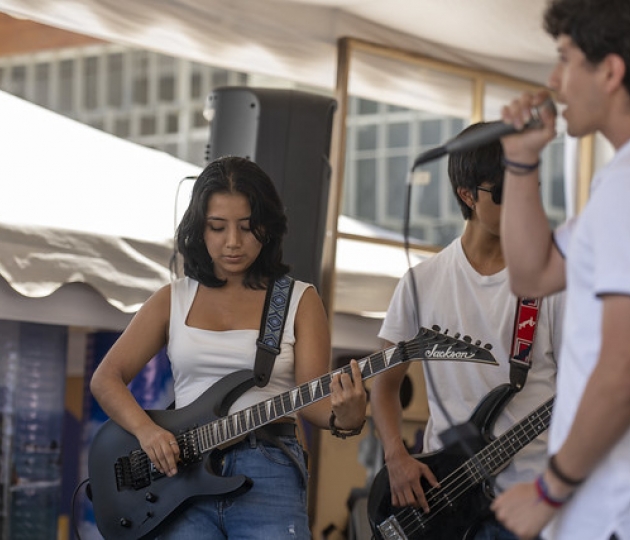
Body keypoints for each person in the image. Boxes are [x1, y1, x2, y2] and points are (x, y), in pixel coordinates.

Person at [90, 155, 367, 539]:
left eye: (247, 227)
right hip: (180, 475)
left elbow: (314, 399)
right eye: (217, 227)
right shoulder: (173, 298)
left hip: (268, 466)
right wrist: (147, 433)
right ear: (199, 230)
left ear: (267, 228)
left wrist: (346, 418)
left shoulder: (299, 300)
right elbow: (106, 379)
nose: (233, 242)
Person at [369, 123, 565, 540]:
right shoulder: (421, 282)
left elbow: (582, 390)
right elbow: (383, 387)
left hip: (530, 507)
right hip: (444, 502)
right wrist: (396, 456)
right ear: (467, 195)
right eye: (504, 191)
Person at [490, 1, 630, 539]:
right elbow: (535, 274)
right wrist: (522, 161)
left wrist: (549, 489)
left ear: (611, 72)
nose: (554, 81)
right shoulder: (613, 185)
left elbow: (621, 369)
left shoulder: (624, 189)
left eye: (566, 59)